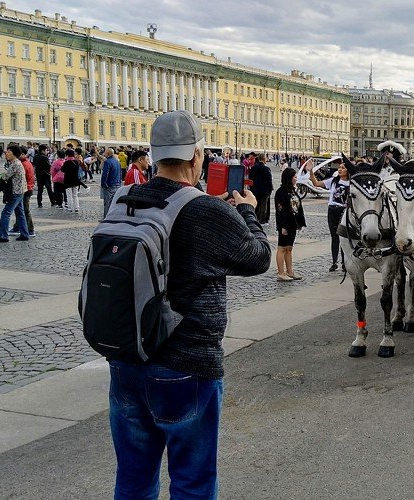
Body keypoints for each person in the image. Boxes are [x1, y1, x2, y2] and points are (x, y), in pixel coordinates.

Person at [106, 110, 272, 499]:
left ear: (153, 154)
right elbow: (258, 257)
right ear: (197, 156)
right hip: (186, 367)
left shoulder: (122, 198)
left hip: (127, 359)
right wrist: (245, 210)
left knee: (132, 478)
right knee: (193, 483)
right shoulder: (205, 210)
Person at [308, 159, 348, 272]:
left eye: (343, 168)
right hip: (333, 210)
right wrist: (311, 172)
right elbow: (316, 183)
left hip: (344, 211)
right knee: (334, 237)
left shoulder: (351, 183)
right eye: (339, 167)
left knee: (344, 237)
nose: (340, 169)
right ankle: (334, 262)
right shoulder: (334, 181)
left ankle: (345, 263)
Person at [275, 167, 307, 281]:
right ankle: (280, 272)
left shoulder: (292, 190)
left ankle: (290, 271)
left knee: (289, 248)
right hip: (285, 223)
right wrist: (282, 226)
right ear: (289, 178)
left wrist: (300, 222)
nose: (296, 178)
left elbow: (297, 206)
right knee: (282, 248)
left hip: (293, 223)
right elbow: (280, 210)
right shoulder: (281, 192)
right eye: (294, 177)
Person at [248, 153, 273, 224]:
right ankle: (262, 219)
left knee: (256, 204)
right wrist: (270, 189)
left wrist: (252, 188)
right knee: (263, 205)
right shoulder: (266, 169)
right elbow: (269, 180)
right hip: (265, 190)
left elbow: (250, 179)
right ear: (264, 159)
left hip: (255, 189)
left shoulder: (253, 168)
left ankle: (255, 217)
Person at [100, 148, 123, 217]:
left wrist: (103, 184)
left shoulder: (107, 162)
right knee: (114, 203)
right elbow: (120, 173)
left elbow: (105, 174)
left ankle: (106, 218)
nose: (104, 154)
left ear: (108, 153)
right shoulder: (117, 162)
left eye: (105, 152)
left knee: (107, 203)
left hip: (109, 185)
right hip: (117, 185)